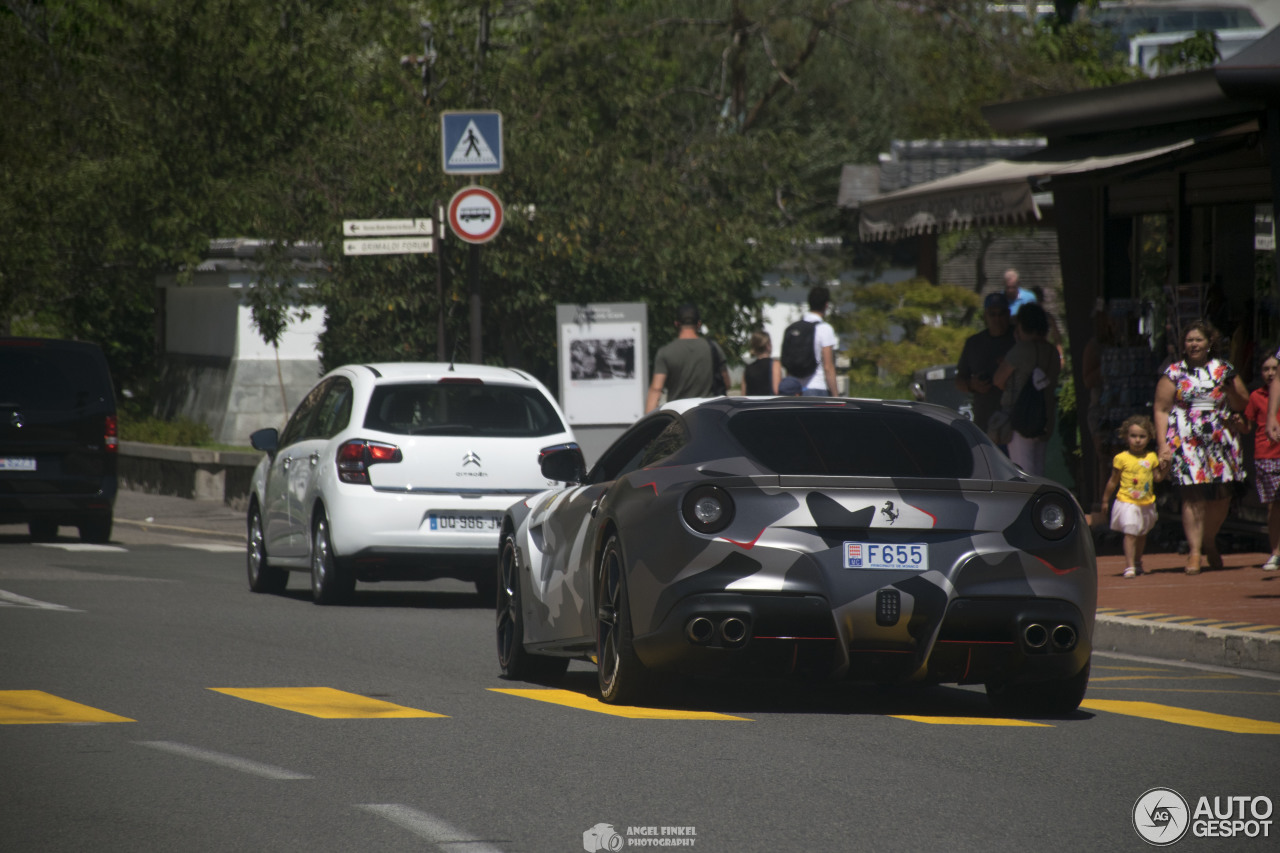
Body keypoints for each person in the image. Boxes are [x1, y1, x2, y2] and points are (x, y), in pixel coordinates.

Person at [1153, 320, 1250, 574]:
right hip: (1186, 438)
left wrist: (1230, 394)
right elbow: (1161, 409)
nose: (1193, 344)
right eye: (1189, 340)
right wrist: (1162, 444)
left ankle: (1209, 540)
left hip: (1220, 437)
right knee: (1192, 494)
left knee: (1222, 494)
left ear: (1210, 344)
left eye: (1198, 340)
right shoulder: (1174, 371)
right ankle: (1194, 551)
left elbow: (1242, 402)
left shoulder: (1224, 369)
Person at [993, 302, 1060, 476]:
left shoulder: (1021, 349)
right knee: (1038, 469)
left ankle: (1029, 504)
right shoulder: (1051, 352)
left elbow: (998, 379)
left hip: (1021, 417)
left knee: (1022, 471)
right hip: (1045, 417)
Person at [1102, 414, 1169, 578]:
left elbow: (1158, 478)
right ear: (1126, 437)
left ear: (1149, 438)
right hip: (1127, 501)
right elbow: (1113, 480)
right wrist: (1105, 500)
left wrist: (1166, 466)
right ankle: (1129, 566)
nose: (1137, 440)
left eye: (1142, 436)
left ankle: (1138, 561)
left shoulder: (1151, 457)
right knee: (1130, 531)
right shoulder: (1121, 458)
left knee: (1141, 533)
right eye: (1133, 436)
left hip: (1146, 503)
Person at [645, 303, 731, 412]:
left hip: (679, 416)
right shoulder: (714, 348)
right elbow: (727, 384)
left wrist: (648, 423)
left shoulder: (665, 352)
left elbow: (656, 389)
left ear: (676, 324)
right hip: (709, 415)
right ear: (699, 324)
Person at [955, 292, 1015, 435]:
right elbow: (959, 380)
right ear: (985, 316)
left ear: (1008, 314)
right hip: (985, 419)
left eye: (1001, 314)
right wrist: (972, 384)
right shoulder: (974, 343)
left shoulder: (1018, 339)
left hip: (1015, 418)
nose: (997, 318)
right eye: (992, 314)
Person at [1244, 351, 1280, 571]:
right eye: (1265, 369)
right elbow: (1247, 424)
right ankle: (1276, 552)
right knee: (1274, 505)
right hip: (1268, 454)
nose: (1270, 373)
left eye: (1273, 369)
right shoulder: (1257, 395)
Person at [788, 286, 839, 397]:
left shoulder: (795, 328)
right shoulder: (825, 328)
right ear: (826, 305)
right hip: (817, 388)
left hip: (796, 390)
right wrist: (836, 396)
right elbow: (828, 367)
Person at [740, 330, 780, 396]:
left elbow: (743, 394)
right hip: (769, 404)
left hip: (753, 405)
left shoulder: (748, 368)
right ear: (768, 345)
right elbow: (776, 390)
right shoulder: (775, 364)